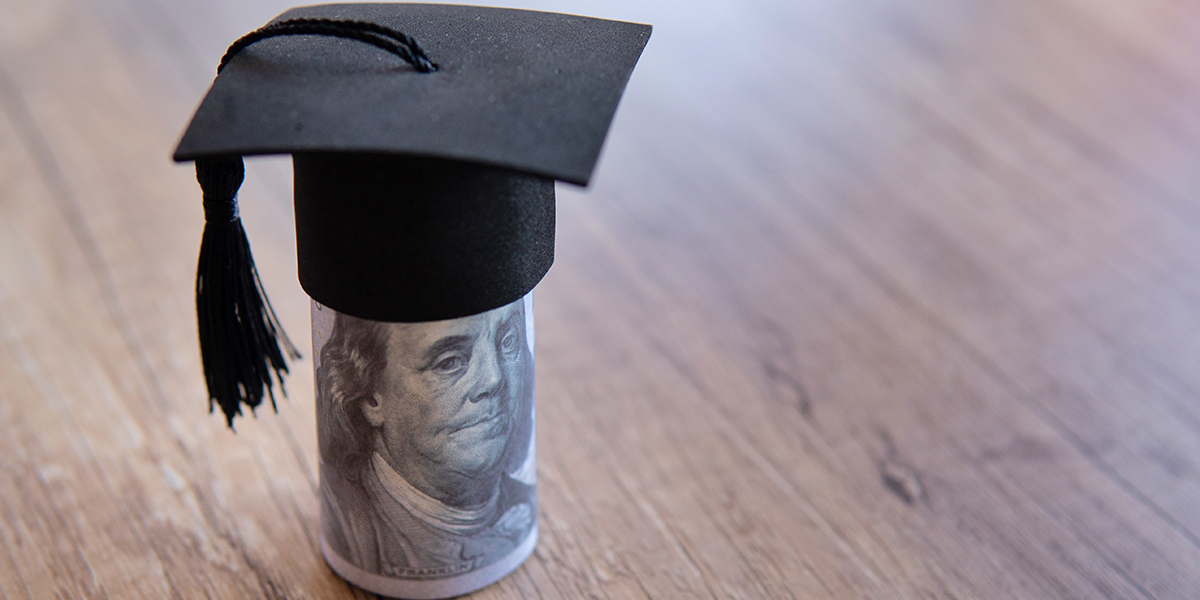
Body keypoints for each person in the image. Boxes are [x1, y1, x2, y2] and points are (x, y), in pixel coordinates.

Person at [316, 297, 535, 579]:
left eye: (507, 343)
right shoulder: (345, 517)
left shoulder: (520, 500)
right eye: (449, 362)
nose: (493, 379)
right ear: (371, 397)